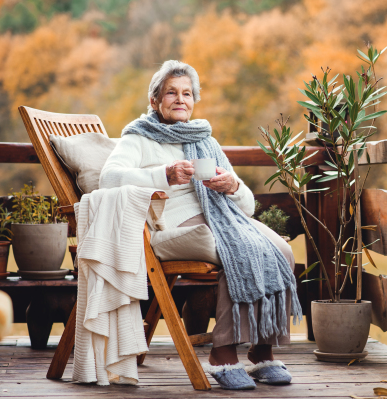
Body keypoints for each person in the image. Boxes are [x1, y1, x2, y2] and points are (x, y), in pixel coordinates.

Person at [99, 60, 301, 390]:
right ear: (154, 100)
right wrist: (163, 174)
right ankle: (223, 353)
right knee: (238, 248)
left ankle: (262, 350)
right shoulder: (138, 137)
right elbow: (107, 178)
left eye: (187, 93)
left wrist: (233, 187)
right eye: (171, 93)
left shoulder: (205, 139)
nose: (181, 99)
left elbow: (247, 206)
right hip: (170, 230)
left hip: (224, 218)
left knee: (281, 250)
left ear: (194, 100)